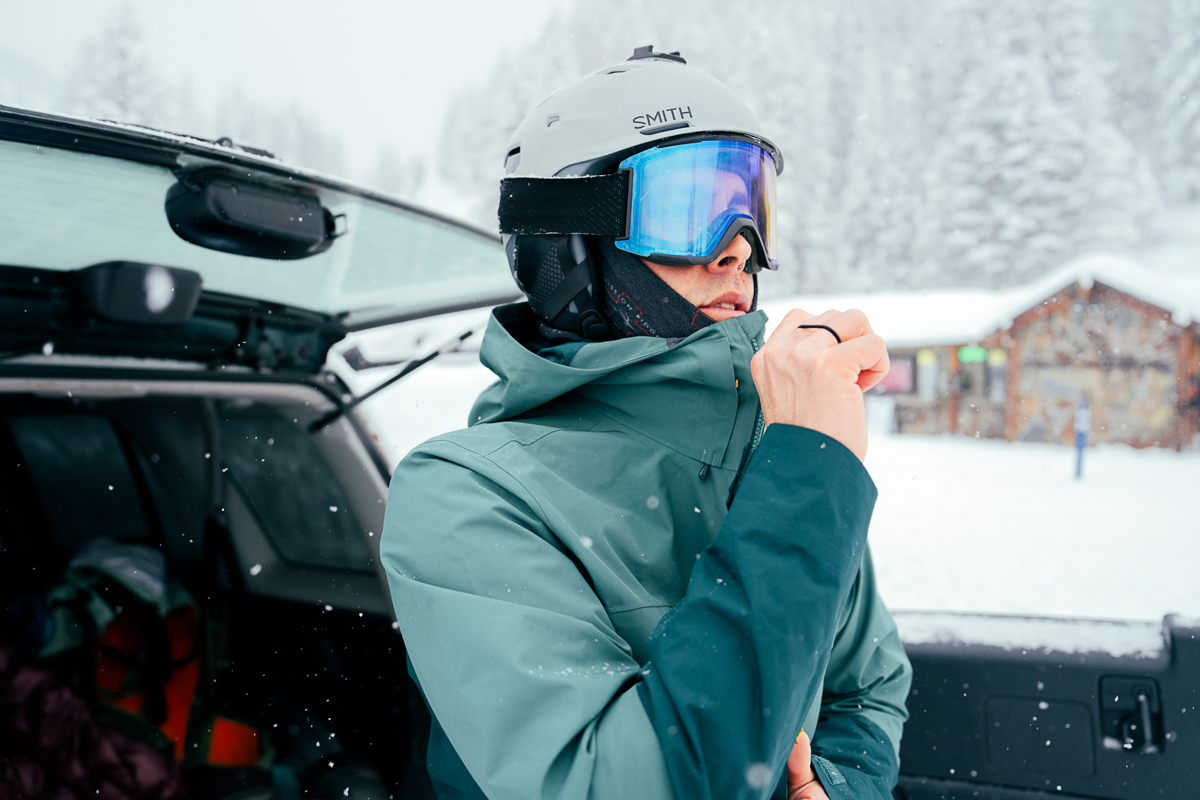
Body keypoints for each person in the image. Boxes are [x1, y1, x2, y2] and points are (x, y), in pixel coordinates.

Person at [381, 46, 912, 800]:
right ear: (571, 243)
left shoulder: (768, 450)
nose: (738, 247)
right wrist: (805, 471)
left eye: (752, 203)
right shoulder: (468, 495)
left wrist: (830, 789)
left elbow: (868, 688)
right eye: (693, 207)